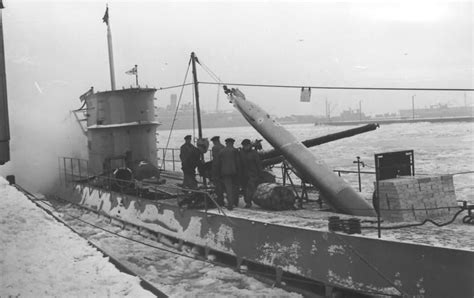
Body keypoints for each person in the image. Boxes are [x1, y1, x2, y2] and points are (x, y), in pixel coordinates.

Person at [216, 138, 240, 210]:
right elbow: (238, 163)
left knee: (228, 189)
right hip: (234, 172)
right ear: (232, 143)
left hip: (225, 173)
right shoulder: (235, 151)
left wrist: (219, 173)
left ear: (226, 143)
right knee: (235, 188)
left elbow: (218, 164)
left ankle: (230, 204)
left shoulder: (221, 151)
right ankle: (235, 203)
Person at [239, 139, 262, 208]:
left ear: (249, 145)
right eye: (244, 146)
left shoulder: (254, 153)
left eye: (246, 145)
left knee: (250, 188)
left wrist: (259, 173)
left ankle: (248, 202)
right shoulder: (241, 153)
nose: (245, 147)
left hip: (252, 173)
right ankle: (247, 201)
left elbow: (258, 164)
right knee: (245, 188)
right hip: (243, 174)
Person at [210, 136, 225, 206]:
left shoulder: (215, 148)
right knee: (223, 184)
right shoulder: (223, 147)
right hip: (223, 168)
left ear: (215, 141)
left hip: (217, 169)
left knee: (218, 186)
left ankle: (220, 201)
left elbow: (215, 159)